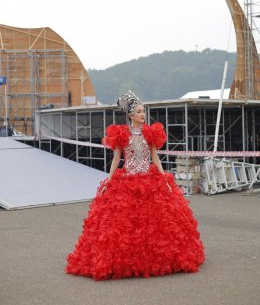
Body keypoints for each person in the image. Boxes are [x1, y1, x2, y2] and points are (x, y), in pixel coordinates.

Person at [66, 90, 205, 280]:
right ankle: (126, 262)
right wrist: (109, 179)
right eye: (139, 111)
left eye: (143, 111)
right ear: (131, 114)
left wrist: (164, 176)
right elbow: (116, 159)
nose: (143, 114)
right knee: (122, 226)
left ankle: (155, 260)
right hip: (127, 181)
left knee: (158, 224)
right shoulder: (121, 134)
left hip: (149, 180)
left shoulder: (150, 133)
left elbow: (155, 156)